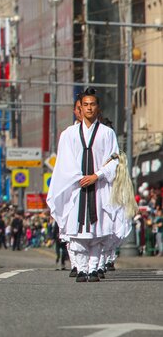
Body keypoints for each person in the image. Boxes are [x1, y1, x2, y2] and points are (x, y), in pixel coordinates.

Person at [47, 88, 121, 283]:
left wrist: (97, 175)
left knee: (98, 230)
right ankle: (80, 268)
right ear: (80, 107)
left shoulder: (107, 133)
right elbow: (64, 161)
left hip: (99, 186)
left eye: (92, 104)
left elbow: (115, 159)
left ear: (98, 108)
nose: (89, 108)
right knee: (77, 230)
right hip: (77, 187)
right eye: (85, 105)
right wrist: (79, 177)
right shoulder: (68, 134)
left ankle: (94, 267)